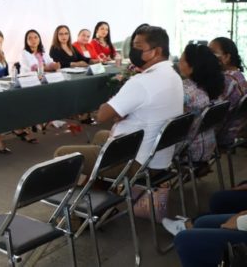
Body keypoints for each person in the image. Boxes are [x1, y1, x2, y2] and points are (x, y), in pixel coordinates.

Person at [54, 26, 183, 178]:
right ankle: (99, 189)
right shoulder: (173, 76)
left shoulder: (142, 81)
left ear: (157, 51)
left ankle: (81, 199)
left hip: (135, 161)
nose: (133, 50)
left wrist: (114, 109)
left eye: (138, 46)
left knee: (62, 154)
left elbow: (102, 115)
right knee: (101, 136)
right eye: (133, 45)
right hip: (158, 157)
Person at [178, 43, 224, 162]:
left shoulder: (185, 90)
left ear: (192, 67)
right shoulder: (213, 86)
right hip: (209, 147)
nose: (178, 63)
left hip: (189, 151)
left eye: (182, 60)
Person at [208, 37, 247, 146]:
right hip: (234, 130)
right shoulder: (238, 75)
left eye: (212, 54)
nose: (208, 58)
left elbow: (209, 111)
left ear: (226, 57)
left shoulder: (227, 80)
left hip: (223, 134)